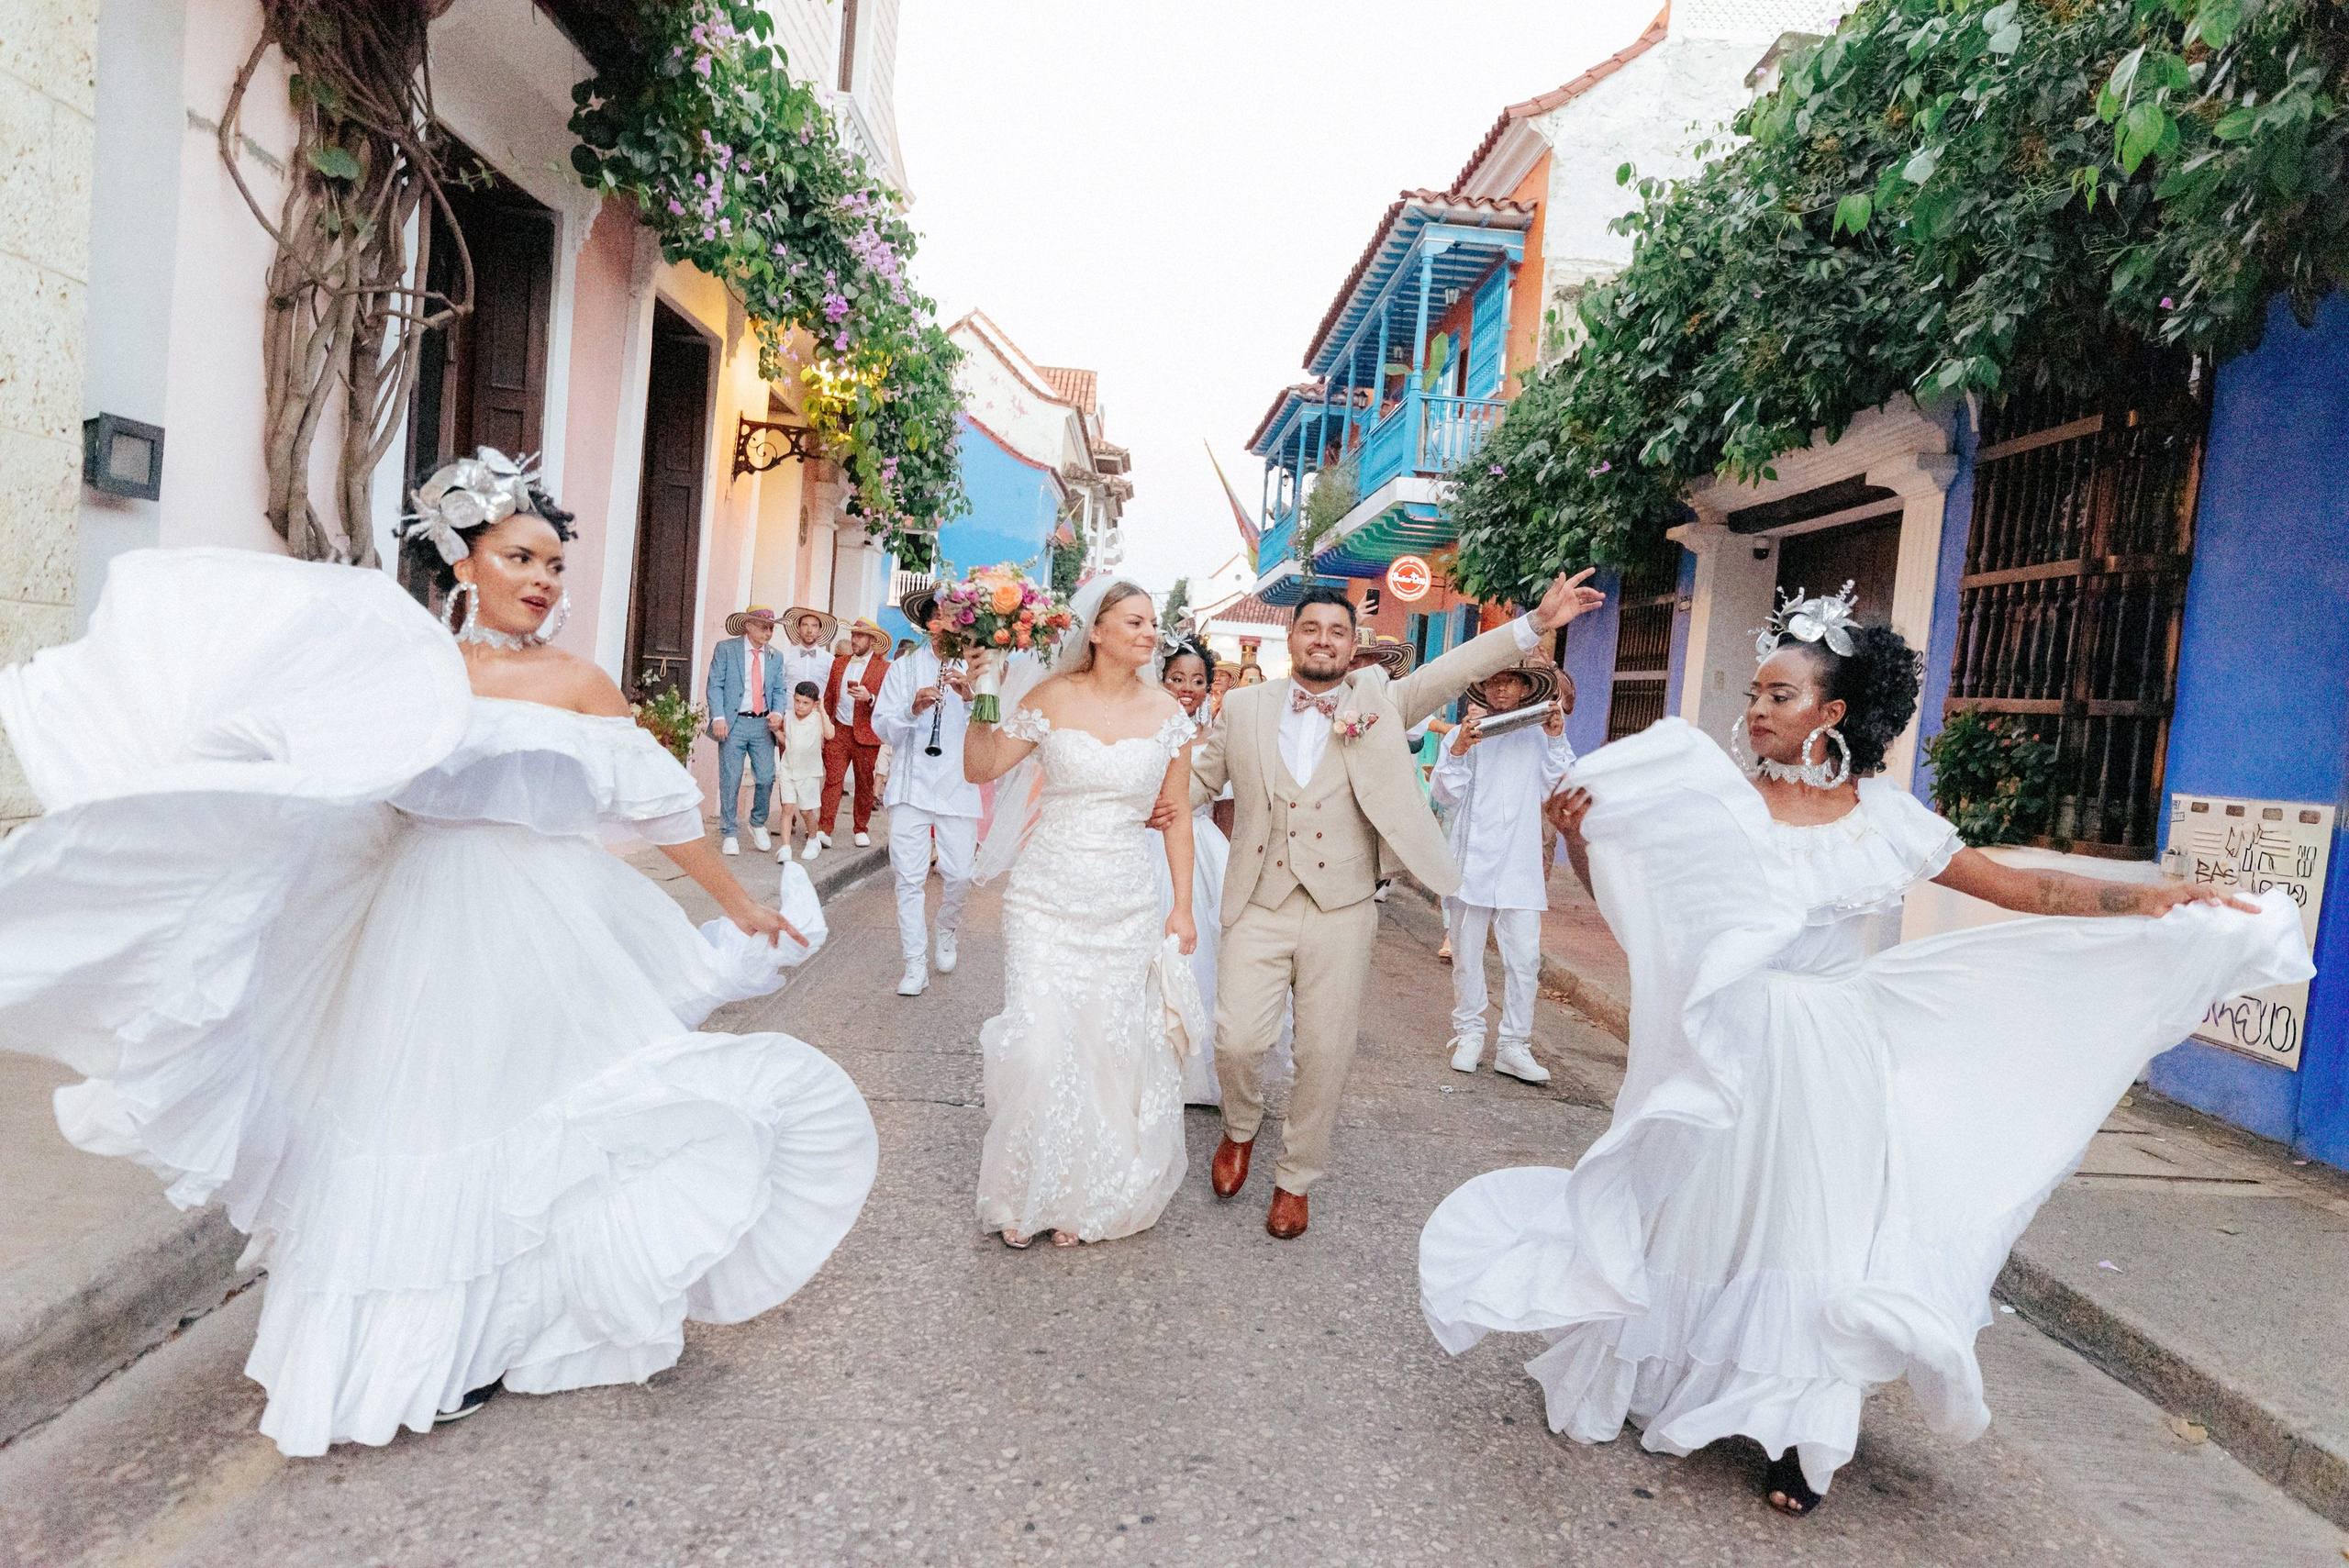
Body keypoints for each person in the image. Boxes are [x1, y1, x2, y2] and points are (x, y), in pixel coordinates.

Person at [0, 450, 877, 1457]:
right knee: (413, 1116)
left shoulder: (578, 681)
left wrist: (739, 901)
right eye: (519, 556)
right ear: (466, 563)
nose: (541, 578)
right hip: (407, 916)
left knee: (523, 1119)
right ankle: (413, 1353)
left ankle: (515, 1323)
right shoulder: (407, 671)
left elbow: (662, 807)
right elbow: (328, 771)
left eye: (553, 563)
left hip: (539, 919)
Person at [1418, 584, 2309, 1518]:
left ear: (1831, 712)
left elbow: (2022, 889)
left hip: (1830, 1053)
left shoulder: (1888, 822)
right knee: (1703, 1213)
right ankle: (1677, 1376)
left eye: (1778, 694)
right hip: (1727, 1038)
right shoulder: (1715, 805)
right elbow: (1647, 921)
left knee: (1816, 1232)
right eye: (1755, 692)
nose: (1754, 709)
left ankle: (1803, 1433)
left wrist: (2147, 899)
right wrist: (1578, 843)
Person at [1183, 571, 1607, 1240]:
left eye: (1337, 632)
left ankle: (1296, 1177)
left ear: (1353, 647)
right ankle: (1240, 1126)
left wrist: (1535, 625)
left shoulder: (1378, 697)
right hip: (1259, 898)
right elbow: (1194, 781)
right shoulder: (1244, 709)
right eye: (1311, 628)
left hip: (1343, 904)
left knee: (1323, 1050)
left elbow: (1456, 665)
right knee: (1235, 1041)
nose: (1323, 640)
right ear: (1290, 637)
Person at [961, 580, 1199, 1247]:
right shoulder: (1050, 698)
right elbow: (981, 768)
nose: (1149, 632)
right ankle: (1018, 1191)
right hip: (1045, 896)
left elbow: (1176, 815)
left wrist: (1182, 906)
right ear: (1095, 630)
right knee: (1038, 1044)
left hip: (1125, 901)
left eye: (1154, 622)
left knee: (1103, 1046)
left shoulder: (1169, 714)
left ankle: (1078, 1194)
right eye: (1135, 620)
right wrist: (984, 694)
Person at [1431, 663, 1573, 1083]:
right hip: (1470, 861)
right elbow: (1444, 794)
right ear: (1483, 688)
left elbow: (1559, 786)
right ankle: (1470, 1033)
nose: (1501, 689)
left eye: (1510, 681)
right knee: (1466, 954)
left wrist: (1557, 736)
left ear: (1526, 687)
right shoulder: (1468, 731)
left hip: (1520, 862)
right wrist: (1457, 749)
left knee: (1524, 959)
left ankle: (1514, 1045)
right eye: (1494, 682)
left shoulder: (1539, 734)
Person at [873, 586, 981, 997]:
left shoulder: (975, 666)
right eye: (937, 618)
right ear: (927, 622)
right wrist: (912, 709)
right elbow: (881, 727)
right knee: (909, 878)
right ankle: (914, 964)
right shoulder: (903, 669)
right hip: (910, 786)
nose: (943, 626)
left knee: (959, 874)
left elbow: (992, 725)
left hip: (957, 784)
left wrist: (969, 696)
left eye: (952, 618)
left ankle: (947, 929)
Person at [1152, 636, 1230, 1106]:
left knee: (1201, 954)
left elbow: (1226, 810)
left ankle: (1194, 1072)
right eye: (1177, 678)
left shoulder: (1213, 739)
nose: (1187, 688)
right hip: (1148, 843)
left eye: (1198, 680)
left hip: (1202, 848)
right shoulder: (1141, 730)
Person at [705, 605, 791, 855]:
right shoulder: (727, 649)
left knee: (766, 776)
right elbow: (715, 685)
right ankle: (729, 831)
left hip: (763, 724)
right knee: (730, 778)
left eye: (771, 628)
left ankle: (757, 821)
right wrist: (718, 717)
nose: (768, 633)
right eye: (764, 627)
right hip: (734, 722)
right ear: (749, 625)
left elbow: (778, 690)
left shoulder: (776, 656)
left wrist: (777, 712)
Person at [821, 617, 890, 851]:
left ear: (872, 641)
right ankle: (824, 829)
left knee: (864, 783)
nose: (854, 640)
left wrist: (869, 698)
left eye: (860, 636)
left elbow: (889, 704)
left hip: (867, 734)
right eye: (853, 635)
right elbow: (829, 697)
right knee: (833, 780)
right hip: (839, 730)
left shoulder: (884, 668)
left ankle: (861, 828)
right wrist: (824, 727)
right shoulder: (839, 664)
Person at [775, 679, 834, 863]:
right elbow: (789, 742)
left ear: (814, 704)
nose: (800, 706)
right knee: (787, 808)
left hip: (809, 772)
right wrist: (776, 732)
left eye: (806, 703)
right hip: (788, 769)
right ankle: (785, 848)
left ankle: (813, 839)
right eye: (797, 701)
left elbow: (830, 735)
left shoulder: (817, 718)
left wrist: (822, 710)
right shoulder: (789, 717)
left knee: (806, 811)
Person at [776, 606, 838, 716]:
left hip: (817, 718)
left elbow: (833, 693)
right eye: (805, 625)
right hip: (790, 716)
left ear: (819, 630)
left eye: (814, 626)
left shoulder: (830, 660)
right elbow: (778, 688)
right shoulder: (786, 657)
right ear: (798, 629)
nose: (809, 631)